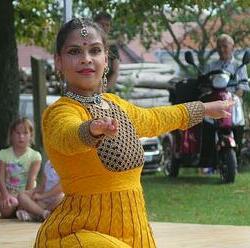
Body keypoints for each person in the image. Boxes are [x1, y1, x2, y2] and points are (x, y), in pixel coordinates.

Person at [34, 18, 233, 247]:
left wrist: (205, 108)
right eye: (74, 51)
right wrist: (90, 130)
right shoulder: (60, 111)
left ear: (106, 59)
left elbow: (155, 118)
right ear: (58, 62)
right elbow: (66, 135)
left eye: (95, 50)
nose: (86, 59)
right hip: (82, 232)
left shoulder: (116, 104)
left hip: (134, 230)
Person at [205, 34, 249, 164]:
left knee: (240, 124)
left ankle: (239, 153)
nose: (222, 49)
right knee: (206, 124)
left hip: (232, 103)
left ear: (232, 47)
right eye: (219, 47)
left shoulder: (239, 66)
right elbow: (204, 84)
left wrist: (235, 98)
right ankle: (208, 155)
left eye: (225, 46)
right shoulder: (211, 66)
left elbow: (242, 86)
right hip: (215, 103)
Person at [0, 117, 41, 218]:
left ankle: (24, 208)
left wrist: (24, 199)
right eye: (17, 133)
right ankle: (17, 208)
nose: (21, 137)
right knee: (5, 212)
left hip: (26, 193)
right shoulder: (3, 154)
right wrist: (5, 196)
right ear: (11, 135)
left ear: (31, 135)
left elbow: (31, 179)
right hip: (9, 192)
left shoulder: (35, 156)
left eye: (25, 133)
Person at [94, 12, 120, 90]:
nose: (104, 27)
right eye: (102, 24)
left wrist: (105, 91)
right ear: (95, 25)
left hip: (106, 90)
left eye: (107, 25)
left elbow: (115, 71)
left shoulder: (112, 47)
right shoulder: (86, 43)